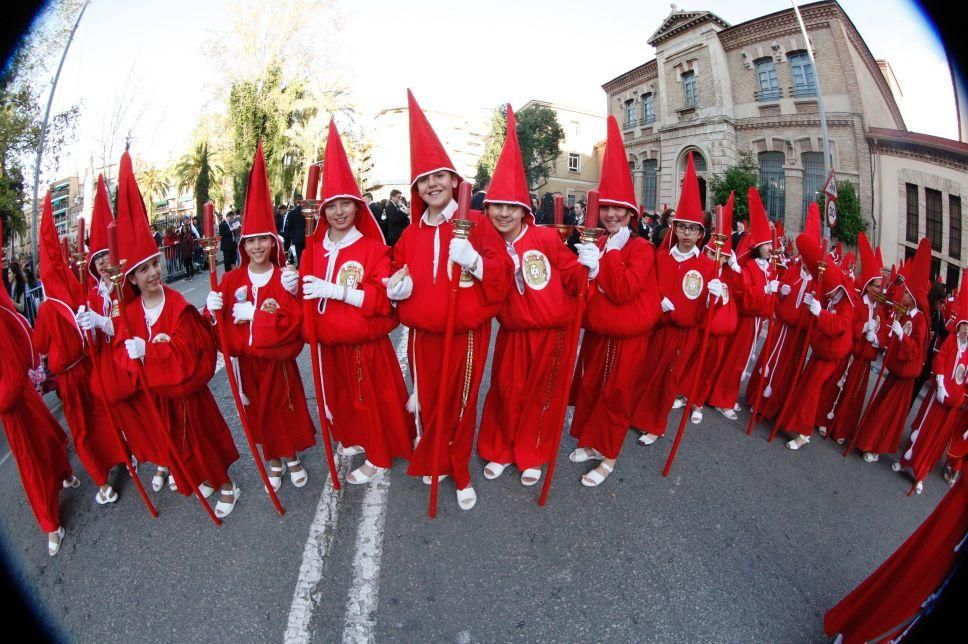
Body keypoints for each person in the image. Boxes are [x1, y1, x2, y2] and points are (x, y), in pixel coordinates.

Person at [386, 91, 512, 510]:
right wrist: (396, 288)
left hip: (467, 335)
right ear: (418, 188)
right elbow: (397, 273)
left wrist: (475, 260)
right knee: (428, 404)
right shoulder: (409, 233)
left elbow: (503, 275)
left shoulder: (475, 223)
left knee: (459, 404)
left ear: (455, 182)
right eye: (425, 179)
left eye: (440, 175)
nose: (433, 184)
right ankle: (437, 459)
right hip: (424, 337)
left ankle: (458, 469)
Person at [112, 151, 241, 518]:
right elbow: (124, 355)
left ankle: (228, 484)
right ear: (131, 279)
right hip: (160, 398)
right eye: (143, 269)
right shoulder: (131, 312)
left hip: (188, 395)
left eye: (155, 263)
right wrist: (128, 349)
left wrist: (150, 353)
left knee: (203, 440)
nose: (153, 272)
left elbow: (190, 352)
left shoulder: (178, 305)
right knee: (181, 448)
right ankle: (199, 476)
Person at [291, 121, 416, 484]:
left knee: (368, 399)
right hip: (330, 345)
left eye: (346, 203)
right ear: (323, 210)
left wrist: (339, 291)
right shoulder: (313, 248)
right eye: (332, 205)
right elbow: (306, 298)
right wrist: (292, 286)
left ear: (357, 206)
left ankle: (378, 455)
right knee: (341, 399)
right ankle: (357, 438)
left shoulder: (373, 249)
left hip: (364, 345)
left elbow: (381, 299)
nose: (339, 211)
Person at [476, 106, 584, 487]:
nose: (503, 214)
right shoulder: (485, 246)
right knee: (506, 391)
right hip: (513, 335)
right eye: (497, 206)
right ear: (487, 209)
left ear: (525, 211)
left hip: (550, 335)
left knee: (543, 396)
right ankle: (501, 448)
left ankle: (533, 451)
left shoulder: (544, 238)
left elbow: (572, 277)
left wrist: (588, 266)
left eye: (512, 207)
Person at [206, 143, 316, 492]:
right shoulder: (231, 280)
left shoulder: (283, 276)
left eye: (262, 241)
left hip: (279, 363)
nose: (256, 247)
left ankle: (293, 455)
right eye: (250, 241)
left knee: (286, 408)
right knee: (260, 414)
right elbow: (220, 329)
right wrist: (212, 312)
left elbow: (295, 322)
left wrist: (261, 315)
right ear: (243, 245)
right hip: (248, 365)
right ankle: (272, 457)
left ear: (273, 243)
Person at [568, 116, 659, 486]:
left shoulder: (640, 248)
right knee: (592, 386)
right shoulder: (600, 243)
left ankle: (609, 455)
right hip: (599, 332)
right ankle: (591, 441)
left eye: (619, 209)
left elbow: (622, 290)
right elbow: (586, 290)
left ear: (631, 213)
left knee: (617, 394)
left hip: (628, 338)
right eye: (605, 207)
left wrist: (605, 259)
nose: (611, 214)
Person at [33, 192, 128, 505]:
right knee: (101, 414)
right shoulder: (77, 290)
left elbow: (40, 344)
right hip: (88, 364)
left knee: (82, 430)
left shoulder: (48, 307)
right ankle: (123, 457)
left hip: (71, 377)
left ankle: (103, 482)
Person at [74, 175, 168, 487]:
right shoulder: (90, 294)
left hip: (133, 361)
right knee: (132, 421)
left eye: (105, 256)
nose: (102, 262)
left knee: (152, 411)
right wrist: (86, 324)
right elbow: (92, 337)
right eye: (97, 258)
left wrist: (105, 323)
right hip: (109, 369)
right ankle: (151, 457)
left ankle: (167, 462)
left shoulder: (123, 288)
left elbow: (129, 321)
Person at [630, 152, 721, 444]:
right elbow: (648, 287)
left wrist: (715, 298)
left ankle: (655, 425)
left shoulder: (707, 266)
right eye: (682, 226)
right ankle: (635, 415)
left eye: (693, 228)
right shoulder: (661, 257)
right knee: (644, 373)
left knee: (668, 381)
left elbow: (709, 313)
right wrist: (657, 301)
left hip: (683, 335)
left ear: (700, 233)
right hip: (656, 329)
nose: (686, 233)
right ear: (675, 228)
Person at [0, 217, 75, 556]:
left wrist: (30, 371)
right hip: (12, 403)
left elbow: (23, 335)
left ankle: (63, 477)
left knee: (44, 442)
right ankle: (50, 521)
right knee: (31, 463)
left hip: (18, 394)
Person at [849, 238, 931, 463]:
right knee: (879, 409)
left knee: (887, 414)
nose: (902, 296)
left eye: (906, 294)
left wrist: (902, 337)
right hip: (895, 371)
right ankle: (866, 441)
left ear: (913, 299)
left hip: (904, 377)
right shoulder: (906, 315)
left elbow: (915, 349)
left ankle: (874, 447)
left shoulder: (920, 321)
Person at [777, 234, 855, 450]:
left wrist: (820, 314)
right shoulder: (834, 298)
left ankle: (804, 432)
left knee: (811, 391)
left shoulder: (845, 303)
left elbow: (840, 324)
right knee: (805, 387)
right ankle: (794, 422)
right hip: (822, 350)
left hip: (831, 355)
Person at [707, 188, 776, 420]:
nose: (770, 249)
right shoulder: (750, 268)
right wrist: (763, 293)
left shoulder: (767, 270)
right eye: (767, 245)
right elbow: (745, 299)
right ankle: (721, 398)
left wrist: (770, 297)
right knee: (735, 361)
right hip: (746, 323)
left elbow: (767, 306)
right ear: (758, 247)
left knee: (742, 362)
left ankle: (730, 395)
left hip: (755, 324)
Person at [893, 287, 967, 494]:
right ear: (960, 326)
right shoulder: (952, 340)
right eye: (965, 326)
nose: (966, 331)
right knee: (922, 428)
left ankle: (922, 473)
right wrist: (941, 384)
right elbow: (941, 359)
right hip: (938, 396)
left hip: (952, 404)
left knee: (936, 438)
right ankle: (906, 460)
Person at [822, 233, 885, 445]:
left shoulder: (879, 309)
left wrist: (876, 338)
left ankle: (841, 430)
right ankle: (826, 421)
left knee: (854, 397)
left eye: (880, 286)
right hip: (851, 355)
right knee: (837, 388)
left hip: (864, 360)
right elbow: (849, 324)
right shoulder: (858, 302)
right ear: (868, 286)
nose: (880, 290)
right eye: (876, 286)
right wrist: (862, 327)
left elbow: (882, 335)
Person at [284, 198, 306, 266]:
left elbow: (288, 227)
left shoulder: (292, 213)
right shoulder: (307, 212)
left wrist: (287, 239)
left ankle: (301, 269)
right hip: (307, 237)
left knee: (299, 256)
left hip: (297, 238)